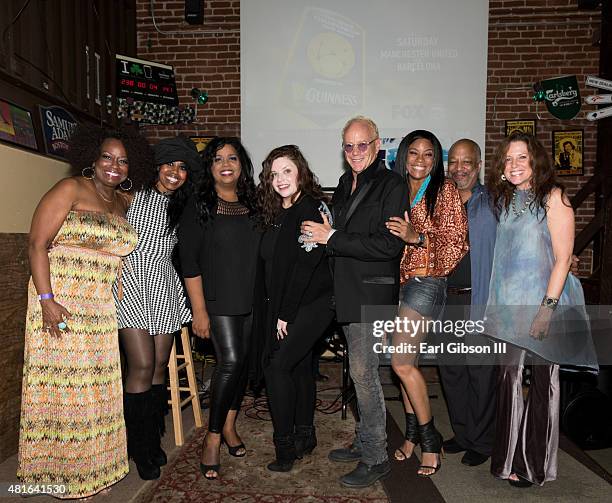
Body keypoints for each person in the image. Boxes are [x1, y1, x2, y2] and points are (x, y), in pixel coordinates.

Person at [17, 124, 153, 499]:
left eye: (123, 161)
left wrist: (119, 283)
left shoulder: (124, 202)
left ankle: (97, 469)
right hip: (61, 299)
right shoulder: (70, 188)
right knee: (68, 390)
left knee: (99, 389)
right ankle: (65, 475)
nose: (115, 166)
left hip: (100, 306)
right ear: (92, 157)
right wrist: (47, 300)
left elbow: (116, 251)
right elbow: (36, 244)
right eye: (108, 157)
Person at [301, 116, 409, 488]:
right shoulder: (346, 183)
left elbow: (389, 245)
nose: (355, 152)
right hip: (346, 291)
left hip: (372, 293)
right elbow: (341, 235)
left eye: (362, 145)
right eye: (349, 145)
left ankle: (377, 456)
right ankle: (365, 441)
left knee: (365, 375)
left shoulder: (392, 184)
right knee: (358, 373)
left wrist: (331, 236)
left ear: (377, 146)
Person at [485, 132, 597, 487]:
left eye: (522, 158)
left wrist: (546, 309)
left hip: (545, 304)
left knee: (544, 384)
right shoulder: (505, 200)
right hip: (510, 308)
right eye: (508, 159)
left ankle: (534, 464)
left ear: (536, 162)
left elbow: (564, 259)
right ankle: (507, 459)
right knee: (508, 381)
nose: (514, 165)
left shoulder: (554, 197)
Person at [115, 135, 200, 480]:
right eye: (169, 164)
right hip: (131, 281)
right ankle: (138, 446)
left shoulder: (183, 207)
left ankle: (152, 437)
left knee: (160, 366)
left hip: (164, 284)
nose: (175, 172)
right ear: (155, 166)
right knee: (142, 364)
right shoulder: (129, 195)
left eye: (182, 167)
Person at [385, 130, 468, 477]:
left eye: (429, 154)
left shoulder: (444, 189)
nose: (420, 160)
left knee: (401, 362)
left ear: (436, 160)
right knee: (408, 365)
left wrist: (416, 237)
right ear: (403, 156)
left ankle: (430, 442)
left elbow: (457, 242)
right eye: (414, 153)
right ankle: (411, 437)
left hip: (427, 281)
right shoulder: (393, 188)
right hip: (396, 284)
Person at [178, 137, 260, 480]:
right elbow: (189, 262)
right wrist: (199, 311)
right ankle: (211, 438)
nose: (226, 164)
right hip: (217, 299)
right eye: (217, 159)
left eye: (232, 158)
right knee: (231, 362)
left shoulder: (255, 203)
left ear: (242, 164)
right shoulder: (198, 205)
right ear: (209, 167)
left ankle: (229, 425)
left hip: (253, 297)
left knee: (243, 365)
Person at [257, 145, 335, 472]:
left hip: (314, 304)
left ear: (300, 171)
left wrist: (284, 315)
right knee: (300, 367)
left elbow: (305, 267)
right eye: (274, 174)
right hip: (291, 303)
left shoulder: (311, 208)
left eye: (286, 171)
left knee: (277, 368)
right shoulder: (281, 210)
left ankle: (285, 447)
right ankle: (307, 435)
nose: (280, 179)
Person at [437, 139, 497, 467]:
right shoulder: (441, 203)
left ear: (478, 165)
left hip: (480, 299)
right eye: (454, 162)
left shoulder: (494, 203)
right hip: (448, 300)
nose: (460, 168)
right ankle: (462, 434)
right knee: (452, 371)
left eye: (467, 162)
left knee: (481, 373)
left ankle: (482, 440)